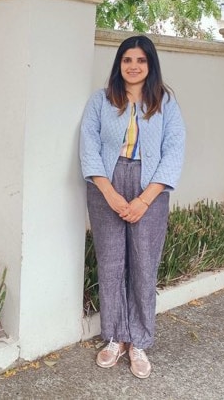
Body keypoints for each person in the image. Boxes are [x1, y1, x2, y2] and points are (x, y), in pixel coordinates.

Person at [79, 35, 186, 379]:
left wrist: (143, 199)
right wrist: (109, 193)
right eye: (127, 59)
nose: (134, 66)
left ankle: (138, 340)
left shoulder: (165, 102)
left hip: (150, 187)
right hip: (106, 184)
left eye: (141, 60)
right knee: (110, 264)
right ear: (119, 64)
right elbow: (89, 146)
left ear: (150, 64)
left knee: (143, 265)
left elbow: (174, 152)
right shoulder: (101, 100)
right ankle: (114, 337)